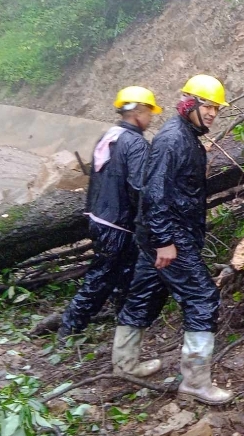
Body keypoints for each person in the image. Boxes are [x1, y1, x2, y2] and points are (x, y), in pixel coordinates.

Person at [114, 74, 233, 405]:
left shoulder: (186, 136)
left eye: (216, 108)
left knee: (144, 293)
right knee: (203, 298)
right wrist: (165, 241)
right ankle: (195, 381)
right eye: (207, 106)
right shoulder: (173, 140)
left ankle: (124, 363)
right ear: (189, 104)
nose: (212, 113)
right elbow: (153, 194)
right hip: (170, 236)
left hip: (161, 233)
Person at [58, 87, 162, 341]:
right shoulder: (135, 143)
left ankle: (122, 321)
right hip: (118, 224)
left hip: (101, 218)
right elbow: (139, 187)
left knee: (125, 272)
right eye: (149, 111)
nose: (152, 118)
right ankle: (69, 328)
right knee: (101, 277)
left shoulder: (110, 136)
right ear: (137, 111)